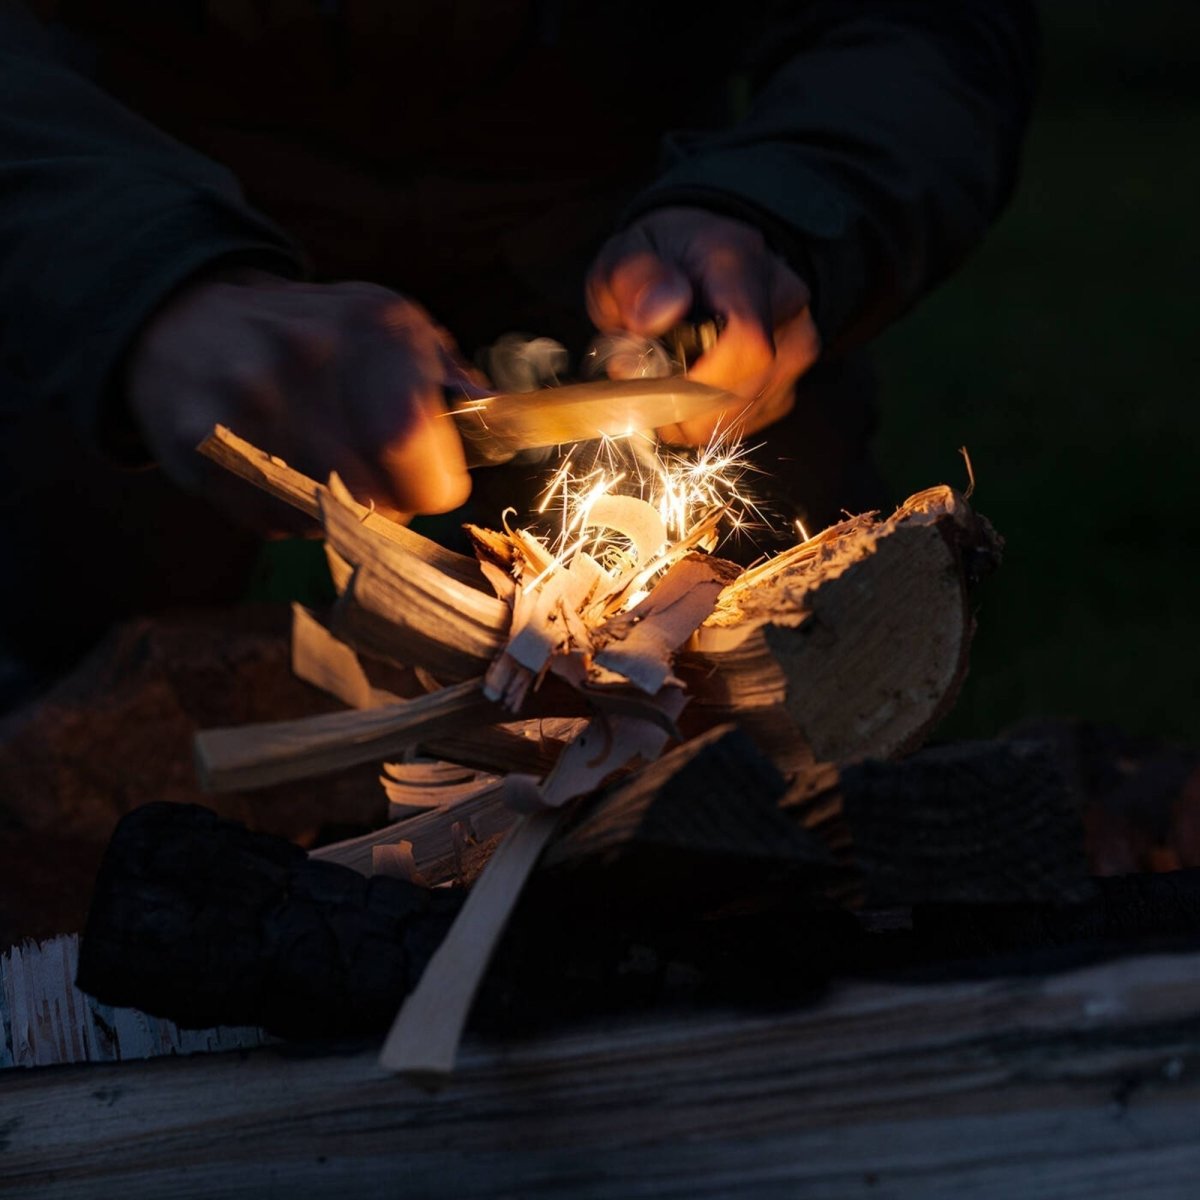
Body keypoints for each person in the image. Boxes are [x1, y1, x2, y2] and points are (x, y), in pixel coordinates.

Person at [0, 0, 1037, 697]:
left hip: (610, 215)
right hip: (131, 196)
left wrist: (785, 208)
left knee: (769, 685)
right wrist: (133, 274)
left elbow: (915, 24)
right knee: (72, 716)